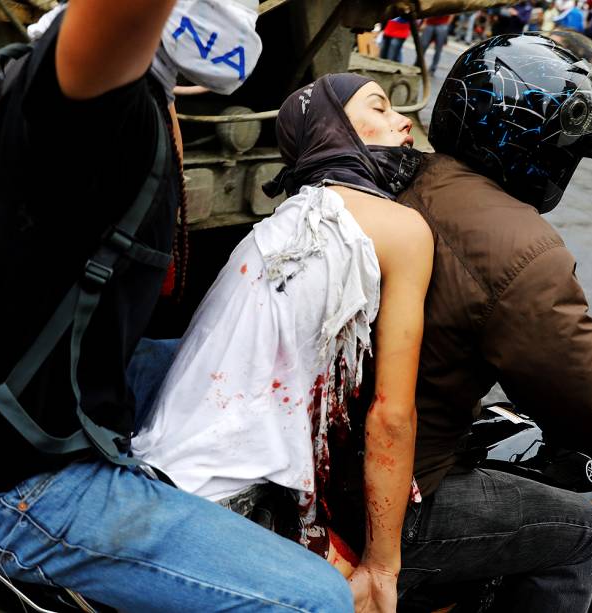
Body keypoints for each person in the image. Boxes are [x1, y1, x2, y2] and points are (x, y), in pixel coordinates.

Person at [0, 2, 355, 611]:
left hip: (39, 410)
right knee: (319, 601)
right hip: (20, 483)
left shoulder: (126, 100)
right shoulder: (90, 102)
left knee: (244, 372)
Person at [392, 32, 592, 611]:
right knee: (582, 533)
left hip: (333, 452)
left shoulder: (407, 175)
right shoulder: (522, 249)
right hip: (396, 498)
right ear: (532, 143)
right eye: (569, 151)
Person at [132, 73, 434, 611]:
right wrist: (382, 566)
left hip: (160, 480)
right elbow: (392, 416)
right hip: (222, 509)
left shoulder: (283, 222)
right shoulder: (401, 229)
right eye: (380, 108)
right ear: (334, 131)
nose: (402, 120)